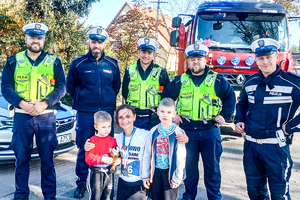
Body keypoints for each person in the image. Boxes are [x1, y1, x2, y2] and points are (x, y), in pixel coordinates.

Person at [1, 22, 66, 200]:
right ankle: (21, 195)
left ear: (43, 40)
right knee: (21, 158)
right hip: (22, 117)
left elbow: (61, 88)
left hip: (46, 117)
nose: (35, 41)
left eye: (39, 38)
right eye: (32, 37)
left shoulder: (54, 62)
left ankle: (49, 196)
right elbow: (6, 88)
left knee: (47, 159)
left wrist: (45, 104)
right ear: (26, 39)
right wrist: (22, 103)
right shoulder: (13, 61)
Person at [162, 44, 236, 200]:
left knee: (212, 170)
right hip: (187, 131)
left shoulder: (217, 80)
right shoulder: (180, 81)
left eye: (199, 59)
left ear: (205, 60)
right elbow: (166, 98)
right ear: (188, 61)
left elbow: (230, 97)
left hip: (210, 130)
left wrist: (225, 115)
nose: (195, 62)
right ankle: (188, 197)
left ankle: (214, 198)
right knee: (189, 170)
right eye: (193, 59)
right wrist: (173, 114)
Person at [235, 38, 300, 199]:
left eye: (268, 57)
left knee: (279, 195)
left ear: (277, 57)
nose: (265, 62)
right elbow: (241, 105)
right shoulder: (250, 82)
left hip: (275, 149)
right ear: (256, 60)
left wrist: (292, 126)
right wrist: (239, 120)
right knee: (255, 193)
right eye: (261, 58)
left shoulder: (292, 83)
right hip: (250, 148)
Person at [67, 26, 121, 198]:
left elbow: (116, 86)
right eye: (94, 41)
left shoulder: (113, 64)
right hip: (85, 113)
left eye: (100, 42)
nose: (96, 45)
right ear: (89, 42)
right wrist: (84, 98)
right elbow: (71, 87)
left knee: (107, 148)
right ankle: (82, 183)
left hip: (106, 113)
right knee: (86, 148)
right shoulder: (78, 63)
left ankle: (106, 181)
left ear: (104, 44)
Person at [142, 97, 187, 200]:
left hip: (170, 173)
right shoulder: (153, 131)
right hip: (156, 172)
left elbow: (181, 157)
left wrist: (178, 177)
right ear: (157, 112)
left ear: (174, 114)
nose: (165, 115)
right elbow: (147, 154)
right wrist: (145, 175)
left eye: (168, 112)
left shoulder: (178, 132)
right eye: (162, 111)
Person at [122, 38, 170, 130]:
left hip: (154, 118)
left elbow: (167, 95)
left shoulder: (161, 71)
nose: (146, 55)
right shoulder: (129, 71)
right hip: (134, 117)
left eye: (149, 53)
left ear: (153, 54)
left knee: (153, 144)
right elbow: (125, 92)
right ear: (139, 53)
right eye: (143, 52)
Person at [85, 111, 120, 200]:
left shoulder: (113, 140)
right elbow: (88, 159)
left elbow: (116, 155)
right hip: (96, 172)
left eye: (109, 126)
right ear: (96, 127)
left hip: (109, 172)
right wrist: (102, 159)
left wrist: (116, 160)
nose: (107, 129)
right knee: (95, 197)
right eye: (103, 127)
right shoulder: (92, 141)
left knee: (108, 196)